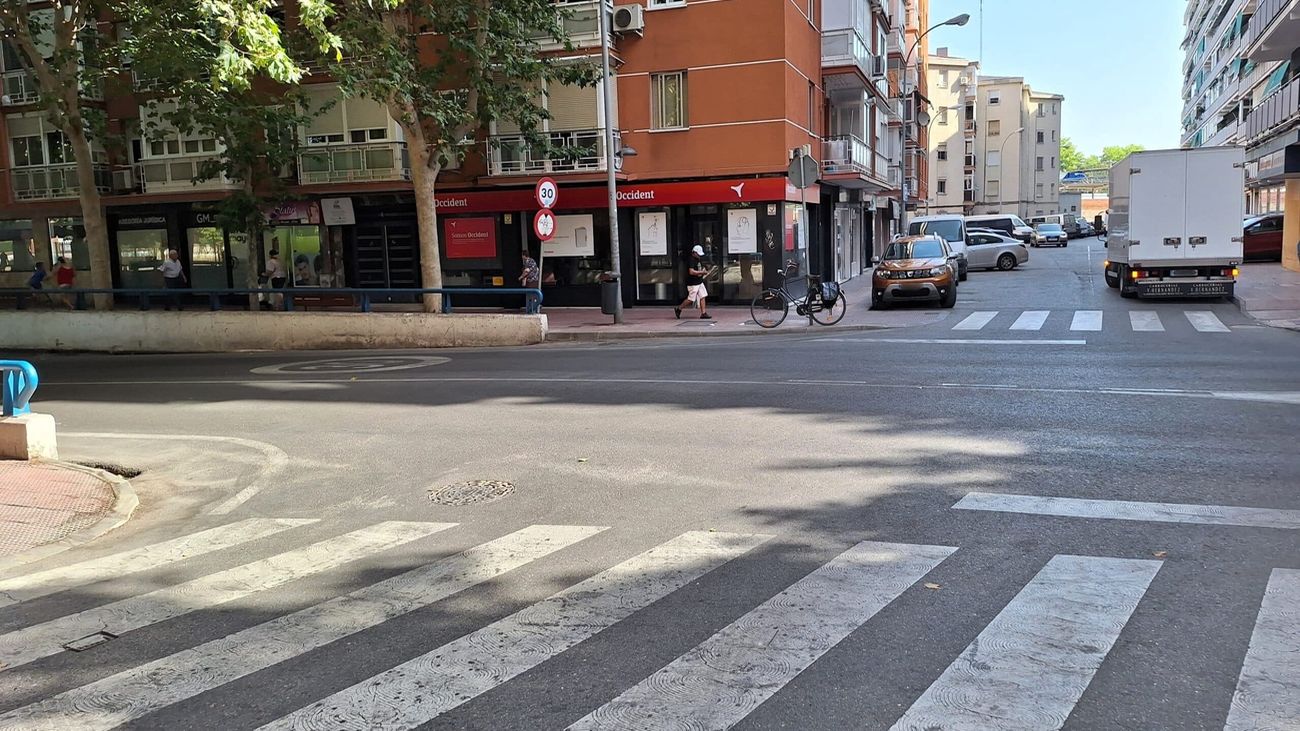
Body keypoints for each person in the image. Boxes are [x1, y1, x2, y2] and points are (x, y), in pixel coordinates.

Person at [674, 244, 712, 320]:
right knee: (691, 299)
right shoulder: (691, 260)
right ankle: (679, 308)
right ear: (694, 253)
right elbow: (691, 272)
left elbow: (698, 268)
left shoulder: (698, 259)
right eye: (698, 254)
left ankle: (703, 313)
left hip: (699, 281)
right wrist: (702, 272)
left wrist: (703, 271)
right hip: (693, 283)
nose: (699, 256)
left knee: (703, 295)